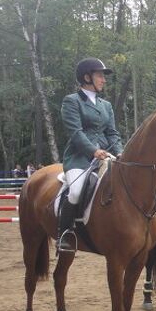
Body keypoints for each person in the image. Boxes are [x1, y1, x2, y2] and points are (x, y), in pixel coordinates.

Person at [57, 57, 123, 251]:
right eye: (100, 76)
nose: (104, 80)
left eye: (104, 76)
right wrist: (93, 151)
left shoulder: (106, 105)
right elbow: (75, 133)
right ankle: (65, 233)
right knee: (76, 190)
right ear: (87, 77)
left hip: (105, 155)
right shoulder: (72, 101)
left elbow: (112, 133)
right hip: (79, 158)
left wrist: (120, 153)